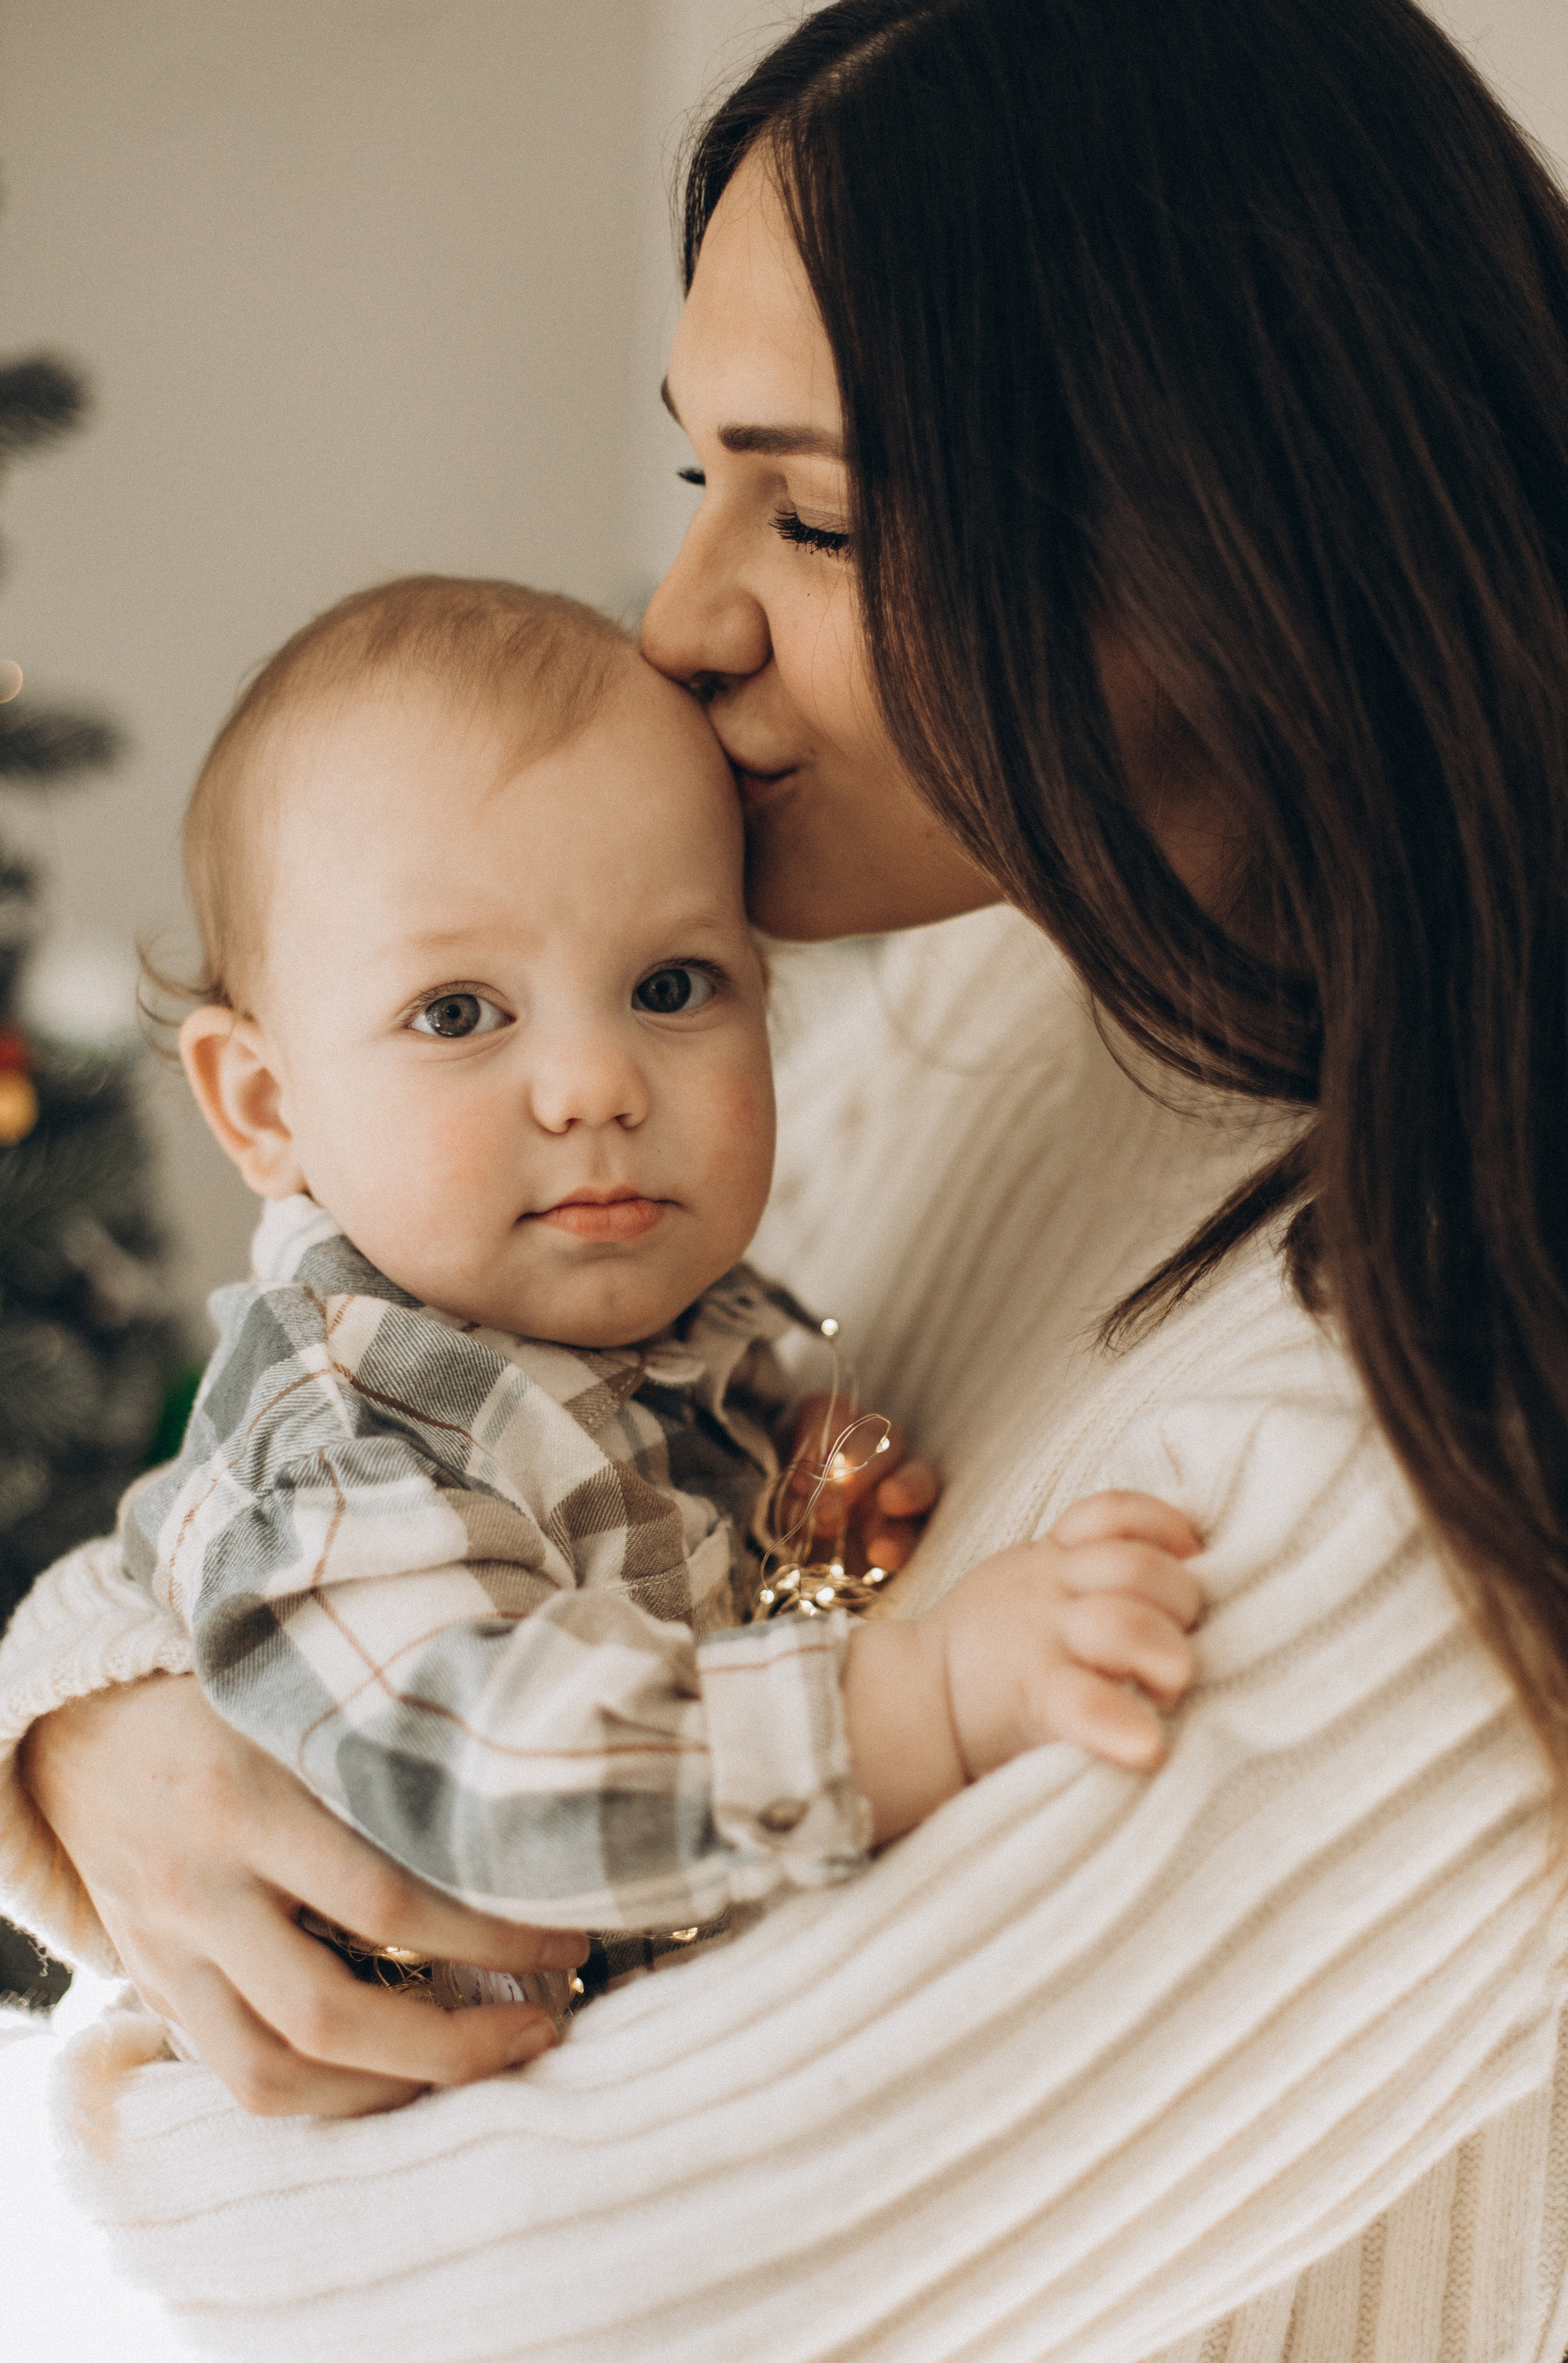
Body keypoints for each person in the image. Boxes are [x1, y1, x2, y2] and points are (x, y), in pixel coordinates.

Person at [0, 0, 1568, 2363]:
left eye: (804, 513)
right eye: (701, 475)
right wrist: (122, 1732)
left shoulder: (1445, 1407)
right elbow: (422, 1421)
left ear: (1212, 532)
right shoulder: (996, 997)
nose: (677, 617)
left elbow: (532, 2359)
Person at [127, 568, 1200, 2032]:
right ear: (263, 1104)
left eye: (672, 986)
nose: (595, 1085)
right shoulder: (344, 1436)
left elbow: (682, 1556)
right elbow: (509, 1774)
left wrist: (810, 1516)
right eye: (457, 1013)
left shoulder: (658, 1322)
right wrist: (921, 1697)